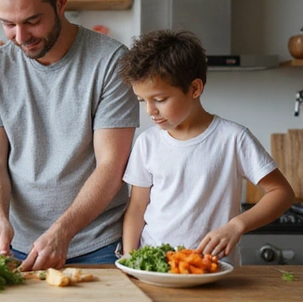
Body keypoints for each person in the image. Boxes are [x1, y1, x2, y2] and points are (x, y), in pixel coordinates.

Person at [0, 0, 139, 271]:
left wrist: (62, 231)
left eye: (32, 21)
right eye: (8, 24)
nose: (20, 37)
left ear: (61, 3)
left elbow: (110, 166)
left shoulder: (111, 62)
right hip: (18, 246)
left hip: (97, 244)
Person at [118, 28, 295, 266]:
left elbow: (282, 194)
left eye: (159, 99)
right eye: (142, 101)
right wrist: (131, 258)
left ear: (195, 88)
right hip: (156, 267)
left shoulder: (233, 138)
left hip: (213, 268)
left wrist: (237, 226)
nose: (150, 111)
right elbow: (137, 208)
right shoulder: (147, 143)